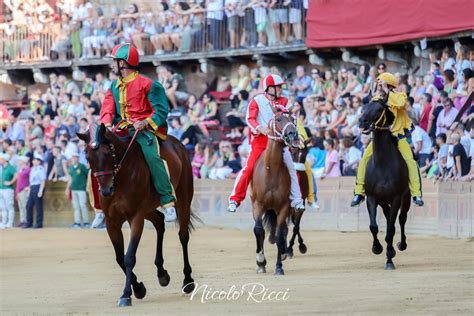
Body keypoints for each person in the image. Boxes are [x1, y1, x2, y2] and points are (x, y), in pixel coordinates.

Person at [100, 43, 177, 222]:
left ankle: (167, 201)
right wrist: (106, 123)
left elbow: (161, 111)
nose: (112, 65)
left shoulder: (149, 85)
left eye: (114, 61)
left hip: (143, 130)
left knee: (153, 157)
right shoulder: (114, 85)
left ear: (123, 63)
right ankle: (99, 207)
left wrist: (146, 122)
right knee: (98, 153)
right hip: (120, 129)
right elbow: (107, 108)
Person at [227, 74, 306, 212]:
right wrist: (260, 128)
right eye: (278, 87)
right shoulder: (256, 101)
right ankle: (235, 199)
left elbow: (288, 117)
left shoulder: (285, 101)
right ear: (269, 88)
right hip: (260, 142)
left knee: (291, 168)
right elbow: (250, 119)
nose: (281, 89)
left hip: (280, 143)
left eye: (281, 87)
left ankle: (297, 200)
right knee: (249, 168)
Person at [351, 72, 424, 207]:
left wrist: (387, 91)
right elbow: (368, 111)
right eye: (379, 84)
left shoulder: (399, 96)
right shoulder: (376, 99)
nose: (379, 87)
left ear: (389, 85)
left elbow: (401, 104)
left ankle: (416, 194)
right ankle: (359, 192)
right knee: (364, 160)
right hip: (380, 138)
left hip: (398, 137)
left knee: (410, 161)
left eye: (382, 84)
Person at [67, 152, 90, 228]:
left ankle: (86, 222)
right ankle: (77, 222)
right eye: (73, 157)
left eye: (75, 157)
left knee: (83, 205)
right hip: (73, 189)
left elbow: (88, 176)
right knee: (76, 206)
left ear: (78, 158)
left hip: (81, 189)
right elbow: (70, 178)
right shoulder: (70, 167)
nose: (74, 159)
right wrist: (67, 188)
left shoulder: (82, 166)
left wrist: (87, 186)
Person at [25, 153, 47, 229]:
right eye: (33, 160)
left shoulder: (41, 169)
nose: (34, 161)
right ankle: (29, 222)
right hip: (32, 187)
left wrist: (41, 190)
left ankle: (39, 223)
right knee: (28, 206)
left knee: (38, 206)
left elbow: (43, 181)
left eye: (35, 160)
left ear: (39, 161)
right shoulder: (32, 169)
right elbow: (31, 182)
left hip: (38, 187)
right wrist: (29, 190)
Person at [0, 153, 16, 229]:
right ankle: (3, 222)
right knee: (3, 206)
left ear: (4, 160)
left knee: (9, 206)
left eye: (1, 159)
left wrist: (10, 182)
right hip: (2, 188)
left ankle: (10, 222)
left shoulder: (10, 167)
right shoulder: (3, 167)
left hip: (8, 189)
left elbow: (16, 175)